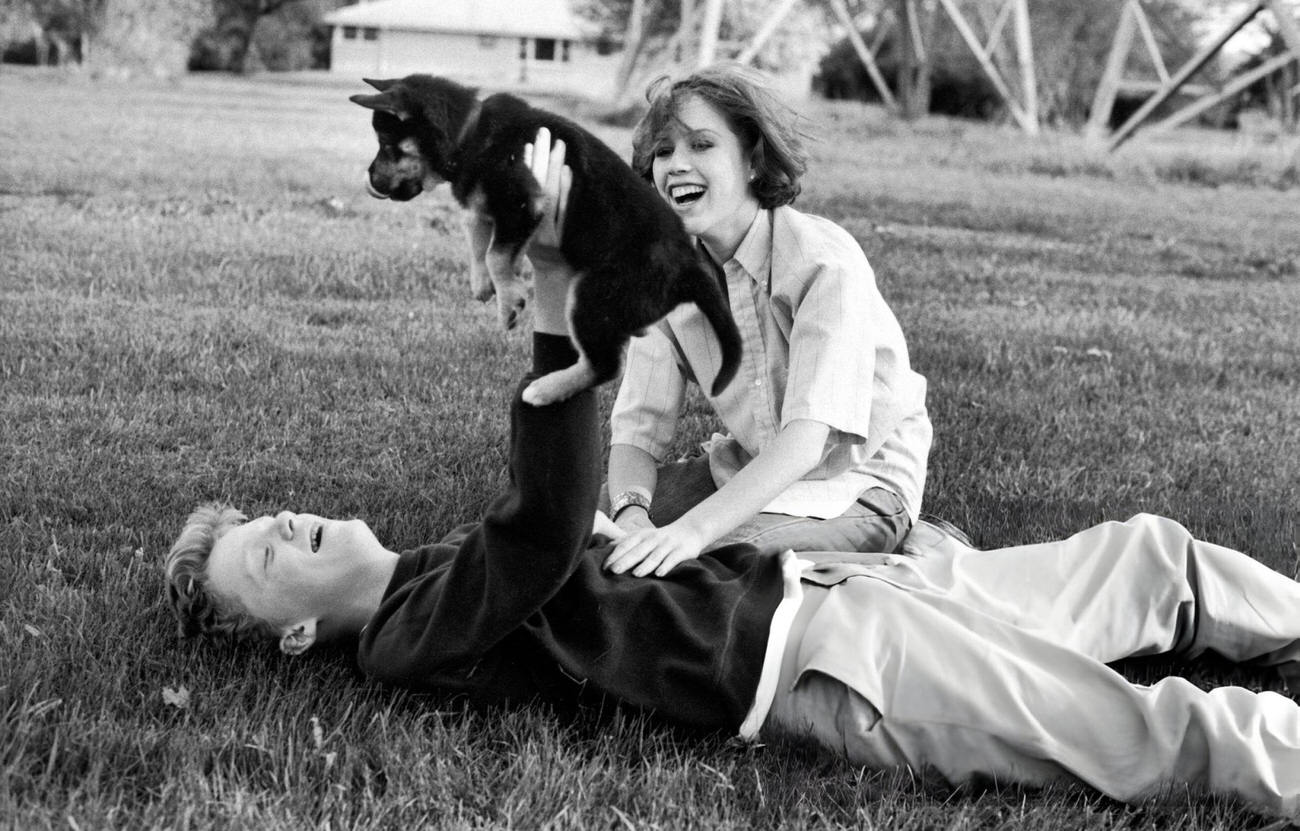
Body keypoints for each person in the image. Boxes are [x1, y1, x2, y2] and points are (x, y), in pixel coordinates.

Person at [163, 127, 1300, 820]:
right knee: (1139, 735)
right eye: (266, 551)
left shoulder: (435, 568)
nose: (290, 519)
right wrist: (554, 305)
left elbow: (578, 528)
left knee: (1150, 557)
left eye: (272, 513)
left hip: (825, 586)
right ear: (296, 636)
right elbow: (544, 525)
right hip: (822, 664)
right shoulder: (410, 634)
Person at [601, 65, 933, 578]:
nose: (676, 165)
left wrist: (689, 533)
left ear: (753, 160)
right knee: (574, 521)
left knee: (704, 568)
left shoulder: (823, 263)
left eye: (702, 145)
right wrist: (631, 514)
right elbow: (638, 430)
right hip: (747, 472)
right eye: (663, 152)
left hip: (859, 488)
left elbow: (805, 443)